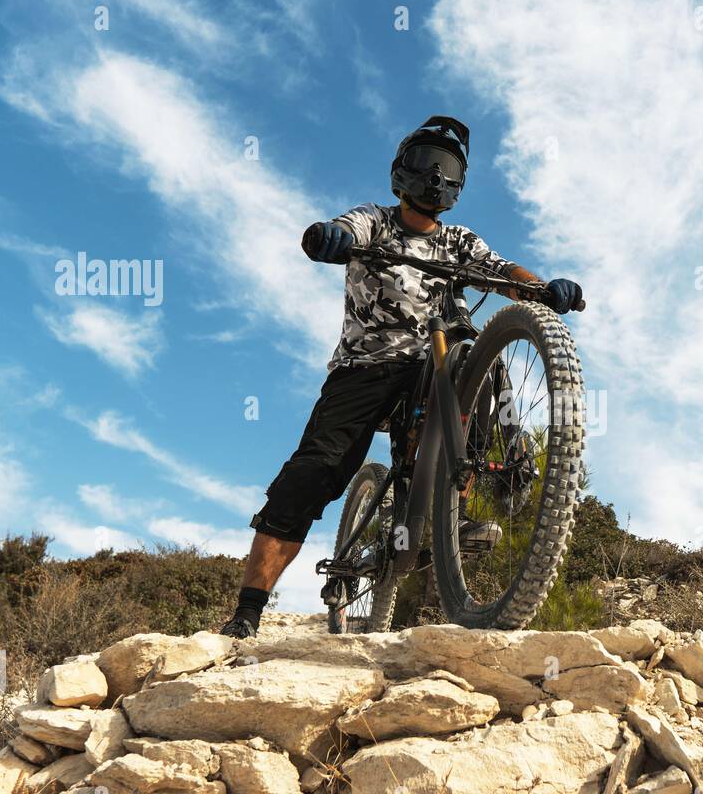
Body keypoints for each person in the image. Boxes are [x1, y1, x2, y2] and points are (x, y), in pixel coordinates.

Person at [220, 116, 583, 638]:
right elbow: (347, 230)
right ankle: (247, 611)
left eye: (449, 168)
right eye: (426, 164)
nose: (436, 176)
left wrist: (542, 288)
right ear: (402, 171)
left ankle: (478, 489)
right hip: (365, 366)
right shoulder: (376, 221)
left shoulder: (459, 241)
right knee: (315, 472)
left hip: (431, 364)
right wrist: (333, 238)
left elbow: (503, 272)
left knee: (474, 354)